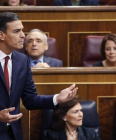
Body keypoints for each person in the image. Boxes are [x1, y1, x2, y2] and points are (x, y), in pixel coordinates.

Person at [0, 12, 78, 140]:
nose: (22, 36)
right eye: (16, 31)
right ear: (1, 35)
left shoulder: (22, 61)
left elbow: (30, 100)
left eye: (22, 30)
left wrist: (57, 98)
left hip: (13, 134)